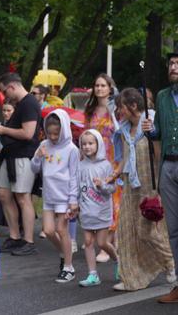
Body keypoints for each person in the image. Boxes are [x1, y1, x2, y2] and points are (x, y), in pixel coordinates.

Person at [114, 88, 175, 292]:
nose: (118, 111)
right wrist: (112, 176)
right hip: (131, 186)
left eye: (121, 106)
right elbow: (124, 159)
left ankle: (170, 263)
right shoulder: (123, 129)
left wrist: (160, 185)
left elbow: (159, 154)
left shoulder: (150, 123)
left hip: (151, 184)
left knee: (148, 230)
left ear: (132, 106)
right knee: (126, 232)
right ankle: (132, 276)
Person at [0, 72, 41, 256]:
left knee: (22, 196)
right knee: (3, 194)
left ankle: (28, 240)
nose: (5, 96)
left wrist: (3, 129)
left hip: (23, 156)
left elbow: (28, 133)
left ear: (11, 87)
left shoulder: (29, 103)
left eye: (5, 92)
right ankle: (15, 236)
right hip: (10, 155)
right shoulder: (20, 105)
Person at [142, 52, 178, 303]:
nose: (174, 66)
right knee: (174, 231)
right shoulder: (164, 96)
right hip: (169, 166)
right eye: (172, 63)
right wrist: (150, 130)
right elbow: (159, 134)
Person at [30, 110, 79, 282]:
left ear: (64, 130)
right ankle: (64, 253)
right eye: (49, 133)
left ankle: (68, 267)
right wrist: (37, 157)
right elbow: (34, 168)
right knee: (49, 231)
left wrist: (73, 200)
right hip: (49, 195)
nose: (52, 136)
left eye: (56, 133)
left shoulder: (72, 149)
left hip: (64, 196)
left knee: (61, 230)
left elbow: (74, 175)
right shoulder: (44, 145)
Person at [84, 73, 120, 263]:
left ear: (110, 88)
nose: (99, 89)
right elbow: (85, 134)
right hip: (94, 159)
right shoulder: (90, 109)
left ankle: (108, 244)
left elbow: (120, 131)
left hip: (112, 158)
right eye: (97, 85)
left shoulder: (116, 109)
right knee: (95, 197)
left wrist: (113, 111)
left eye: (103, 86)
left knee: (112, 201)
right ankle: (98, 236)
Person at [76, 129, 118, 287]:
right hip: (86, 210)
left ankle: (118, 261)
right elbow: (77, 186)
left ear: (98, 144)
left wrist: (102, 185)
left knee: (101, 243)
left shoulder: (106, 165)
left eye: (90, 143)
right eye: (84, 144)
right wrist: (74, 204)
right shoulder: (80, 165)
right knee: (87, 242)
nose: (87, 146)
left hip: (101, 210)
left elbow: (112, 189)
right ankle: (92, 274)